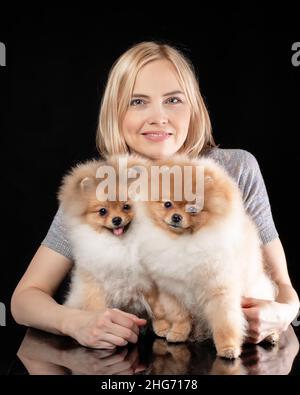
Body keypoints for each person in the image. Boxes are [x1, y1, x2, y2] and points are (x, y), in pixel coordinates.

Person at [11, 41, 299, 349]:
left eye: (173, 99)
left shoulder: (234, 169)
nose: (158, 117)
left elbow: (283, 285)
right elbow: (24, 298)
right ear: (115, 113)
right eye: (137, 102)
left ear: (194, 107)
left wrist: (281, 313)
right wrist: (74, 322)